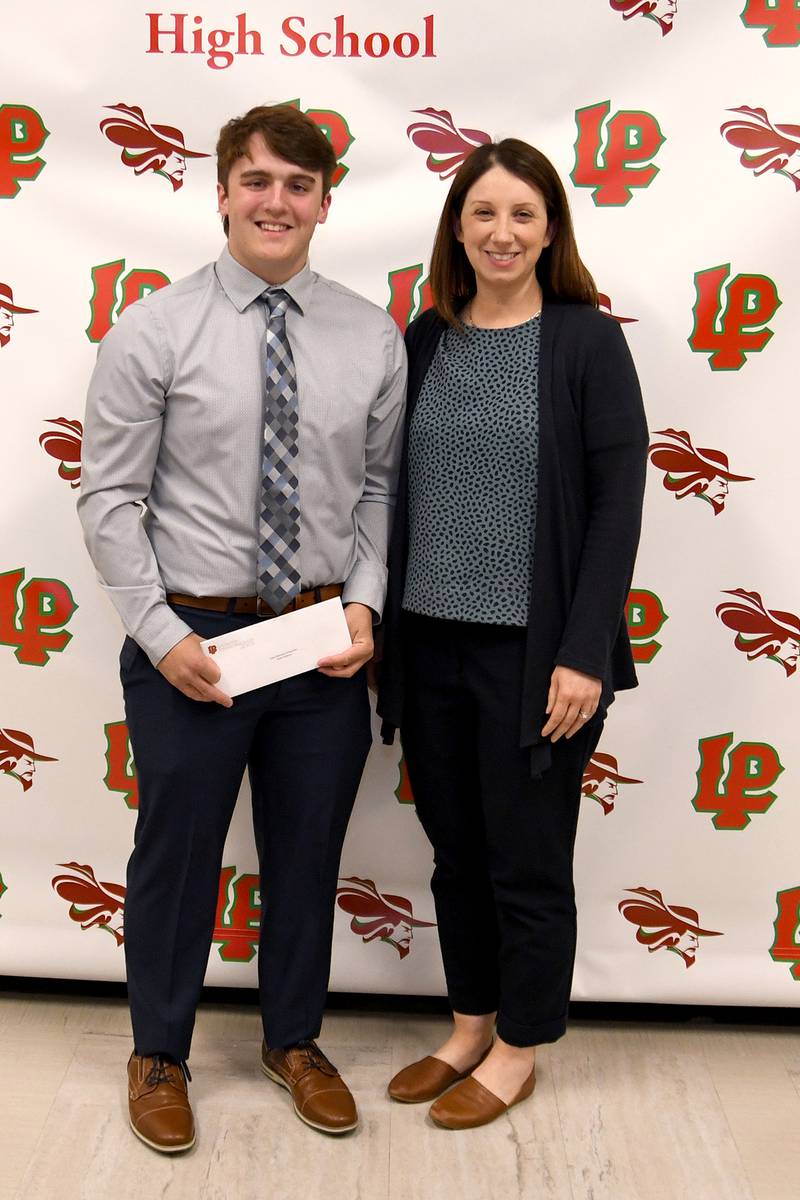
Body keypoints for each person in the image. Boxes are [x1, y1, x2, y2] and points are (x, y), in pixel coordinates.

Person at [78, 104, 406, 1151]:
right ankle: (158, 1053)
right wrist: (159, 631)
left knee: (305, 851)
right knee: (175, 856)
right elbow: (110, 499)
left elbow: (380, 490)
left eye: (298, 186)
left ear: (324, 201)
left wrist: (362, 603)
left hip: (317, 645)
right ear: (219, 191)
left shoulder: (370, 334)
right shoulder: (154, 328)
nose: (276, 202)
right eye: (256, 181)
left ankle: (293, 1040)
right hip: (193, 642)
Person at [377, 138, 647, 1130]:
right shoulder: (424, 338)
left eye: (522, 215)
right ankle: (467, 1021)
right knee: (453, 851)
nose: (501, 231)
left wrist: (582, 651)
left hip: (534, 655)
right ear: (457, 224)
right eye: (483, 212)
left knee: (525, 858)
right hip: (428, 643)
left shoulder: (583, 341)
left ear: (549, 230)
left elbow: (616, 504)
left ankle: (519, 1045)